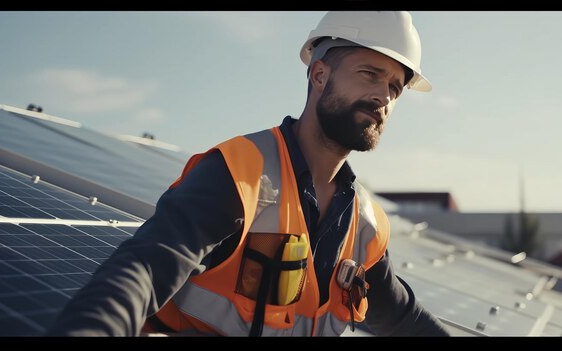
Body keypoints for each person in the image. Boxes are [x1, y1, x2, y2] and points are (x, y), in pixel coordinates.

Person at [47, 11, 450, 337]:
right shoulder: (239, 174)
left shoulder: (366, 227)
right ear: (320, 74)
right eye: (370, 74)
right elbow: (142, 273)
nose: (383, 97)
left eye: (396, 88)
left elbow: (402, 319)